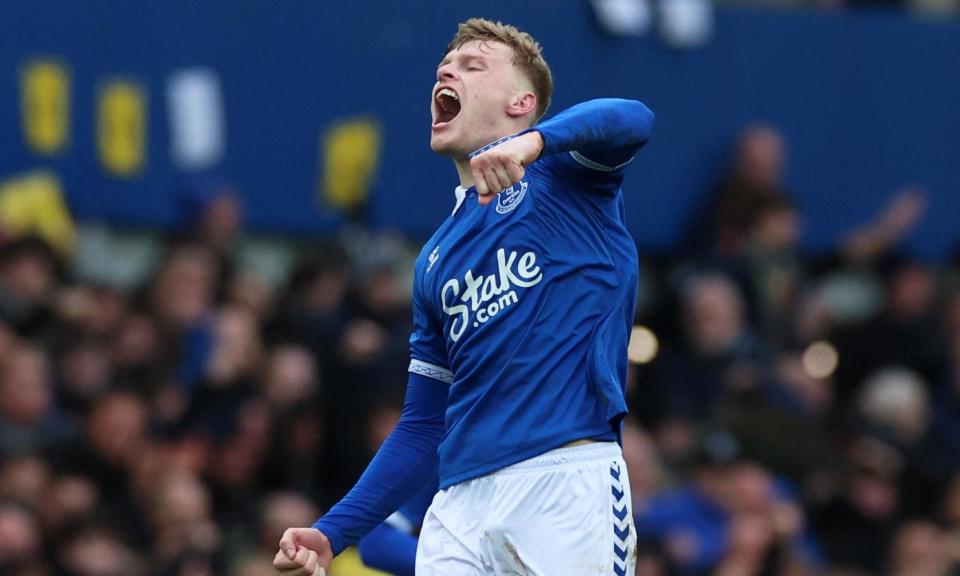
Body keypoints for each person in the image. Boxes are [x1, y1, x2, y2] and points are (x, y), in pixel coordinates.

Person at [274, 18, 654, 575]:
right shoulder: (435, 259)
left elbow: (634, 118)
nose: (448, 70)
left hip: (563, 482)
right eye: (444, 68)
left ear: (523, 102)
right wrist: (332, 533)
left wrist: (536, 143)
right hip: (457, 506)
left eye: (474, 65)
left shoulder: (572, 181)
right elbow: (423, 425)